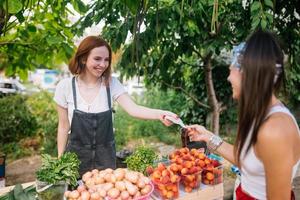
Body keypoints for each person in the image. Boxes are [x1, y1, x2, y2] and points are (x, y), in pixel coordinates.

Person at [187, 30, 300, 200]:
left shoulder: (275, 131)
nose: (228, 78)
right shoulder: (261, 116)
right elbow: (247, 161)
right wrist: (208, 137)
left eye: (230, 71)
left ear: (247, 74)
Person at [54, 36, 178, 176]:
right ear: (83, 58)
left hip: (105, 160)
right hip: (75, 160)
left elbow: (134, 109)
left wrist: (160, 114)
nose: (103, 64)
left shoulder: (111, 84)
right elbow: (64, 126)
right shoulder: (65, 87)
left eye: (106, 60)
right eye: (97, 59)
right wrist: (60, 159)